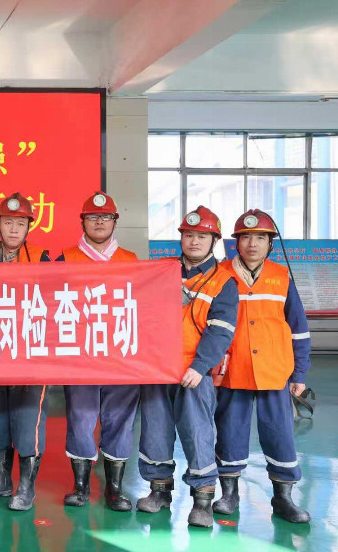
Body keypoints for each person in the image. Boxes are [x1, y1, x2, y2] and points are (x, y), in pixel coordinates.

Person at [135, 206, 237, 527]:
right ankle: (159, 492)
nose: (194, 241)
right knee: (155, 431)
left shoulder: (223, 282)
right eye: (189, 235)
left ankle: (202, 502)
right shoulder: (161, 271)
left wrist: (200, 365)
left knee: (197, 432)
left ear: (214, 241)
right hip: (157, 369)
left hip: (193, 372)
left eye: (202, 236)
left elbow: (221, 331)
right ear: (181, 238)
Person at [213, 209, 311, 523]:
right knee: (230, 431)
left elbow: (298, 327)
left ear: (270, 243)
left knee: (279, 433)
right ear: (236, 243)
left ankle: (283, 498)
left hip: (274, 370)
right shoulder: (220, 273)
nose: (252, 244)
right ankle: (229, 494)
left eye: (260, 238)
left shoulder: (282, 277)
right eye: (245, 237)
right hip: (233, 368)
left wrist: (299, 372)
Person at [58, 191, 139, 511]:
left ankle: (114, 490)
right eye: (93, 217)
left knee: (119, 420)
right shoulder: (65, 259)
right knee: (80, 419)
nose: (100, 222)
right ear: (83, 222)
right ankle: (80, 487)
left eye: (106, 217)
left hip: (121, 357)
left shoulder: (132, 261)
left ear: (115, 222)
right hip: (80, 357)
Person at [0, 193, 51, 511]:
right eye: (8, 222)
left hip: (29, 354)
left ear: (28, 226)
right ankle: (1, 481)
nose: (14, 229)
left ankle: (26, 487)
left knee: (27, 420)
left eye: (20, 223)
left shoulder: (42, 259)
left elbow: (54, 303)